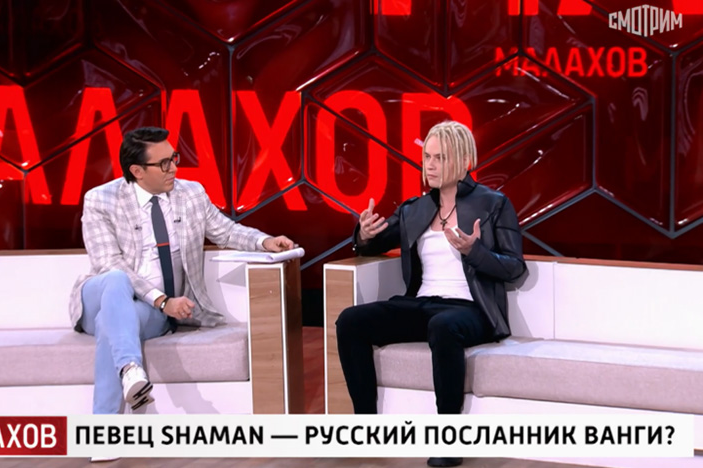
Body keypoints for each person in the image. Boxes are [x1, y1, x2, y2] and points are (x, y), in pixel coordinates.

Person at [335, 121, 526, 467]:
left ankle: (448, 438)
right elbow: (372, 244)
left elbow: (514, 267)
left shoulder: (494, 204)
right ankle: (365, 426)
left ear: (464, 160)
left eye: (441, 157)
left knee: (444, 325)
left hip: (471, 310)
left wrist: (474, 251)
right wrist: (363, 234)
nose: (431, 165)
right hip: (422, 304)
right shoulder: (415, 208)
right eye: (427, 157)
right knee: (351, 321)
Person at [68, 126, 295, 415]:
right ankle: (129, 369)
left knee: (110, 325)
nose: (174, 168)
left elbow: (226, 231)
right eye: (164, 164)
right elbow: (108, 263)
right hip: (100, 296)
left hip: (147, 311)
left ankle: (113, 404)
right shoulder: (101, 199)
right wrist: (164, 301)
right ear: (137, 171)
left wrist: (264, 241)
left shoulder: (191, 194)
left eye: (174, 158)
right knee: (115, 279)